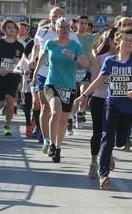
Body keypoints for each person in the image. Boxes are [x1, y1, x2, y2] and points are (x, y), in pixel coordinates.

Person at [75, 27, 132, 189]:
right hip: (112, 104)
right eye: (124, 40)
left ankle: (123, 139)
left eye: (131, 41)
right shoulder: (110, 61)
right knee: (107, 136)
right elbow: (99, 80)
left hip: (130, 108)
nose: (127, 43)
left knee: (119, 141)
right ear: (118, 42)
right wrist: (84, 95)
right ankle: (104, 174)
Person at [31, 17, 88, 163]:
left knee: (63, 120)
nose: (64, 30)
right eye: (61, 27)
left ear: (70, 29)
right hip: (52, 84)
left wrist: (74, 57)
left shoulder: (75, 45)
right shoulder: (50, 44)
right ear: (56, 29)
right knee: (55, 111)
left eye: (66, 28)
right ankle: (51, 143)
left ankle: (58, 148)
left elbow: (86, 63)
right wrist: (36, 74)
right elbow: (42, 58)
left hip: (68, 86)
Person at [85, 28, 118, 179]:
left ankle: (108, 154)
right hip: (99, 98)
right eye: (116, 39)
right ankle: (94, 162)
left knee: (111, 132)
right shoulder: (101, 58)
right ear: (110, 42)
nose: (119, 43)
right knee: (98, 132)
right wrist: (105, 80)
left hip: (117, 100)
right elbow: (94, 81)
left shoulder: (127, 60)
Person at [0, 19, 24, 136]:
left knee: (10, 100)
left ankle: (7, 125)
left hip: (13, 77)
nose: (11, 29)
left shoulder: (19, 46)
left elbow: (24, 62)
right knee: (0, 104)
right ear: (4, 29)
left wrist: (18, 63)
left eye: (13, 27)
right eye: (8, 27)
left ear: (16, 30)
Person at [74, 15, 97, 129]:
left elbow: (96, 50)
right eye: (81, 23)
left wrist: (96, 58)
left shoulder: (92, 38)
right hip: (72, 69)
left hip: (86, 69)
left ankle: (80, 112)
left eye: (85, 23)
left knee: (84, 91)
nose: (83, 25)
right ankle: (70, 115)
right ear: (76, 24)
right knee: (73, 94)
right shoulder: (72, 37)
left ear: (88, 25)